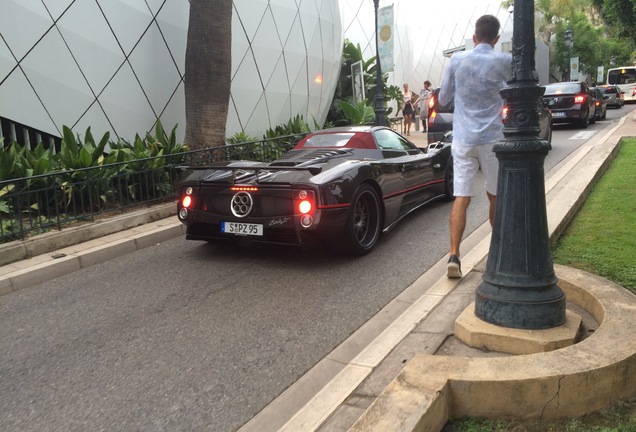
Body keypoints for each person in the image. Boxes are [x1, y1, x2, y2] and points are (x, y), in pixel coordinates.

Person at [438, 14, 512, 278]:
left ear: (474, 37)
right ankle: (498, 251)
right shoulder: (504, 61)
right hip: (492, 138)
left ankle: (454, 255)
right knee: (495, 195)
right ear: (497, 39)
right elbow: (513, 90)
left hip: (463, 139)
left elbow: (444, 97)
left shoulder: (457, 60)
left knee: (462, 197)